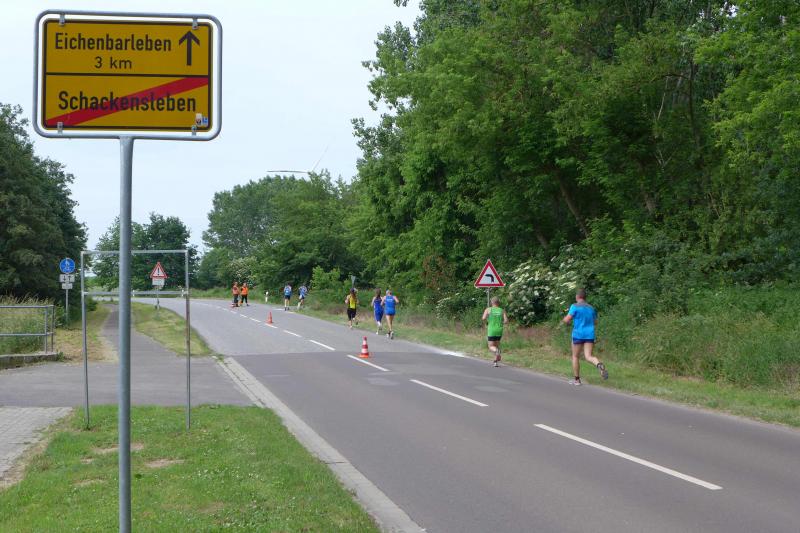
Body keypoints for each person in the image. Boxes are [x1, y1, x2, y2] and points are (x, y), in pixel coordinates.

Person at [561, 288, 608, 385]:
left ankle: (577, 380)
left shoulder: (574, 306)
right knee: (588, 356)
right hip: (589, 334)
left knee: (575, 356)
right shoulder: (591, 308)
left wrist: (564, 320)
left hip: (578, 334)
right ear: (585, 297)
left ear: (577, 296)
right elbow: (595, 322)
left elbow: (567, 319)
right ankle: (599, 364)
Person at [482, 296, 509, 367]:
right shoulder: (502, 310)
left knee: (491, 346)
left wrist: (488, 321)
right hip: (499, 330)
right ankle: (495, 362)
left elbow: (483, 318)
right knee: (496, 346)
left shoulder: (488, 309)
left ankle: (497, 352)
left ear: (492, 302)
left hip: (491, 330)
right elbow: (506, 321)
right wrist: (501, 323)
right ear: (498, 302)